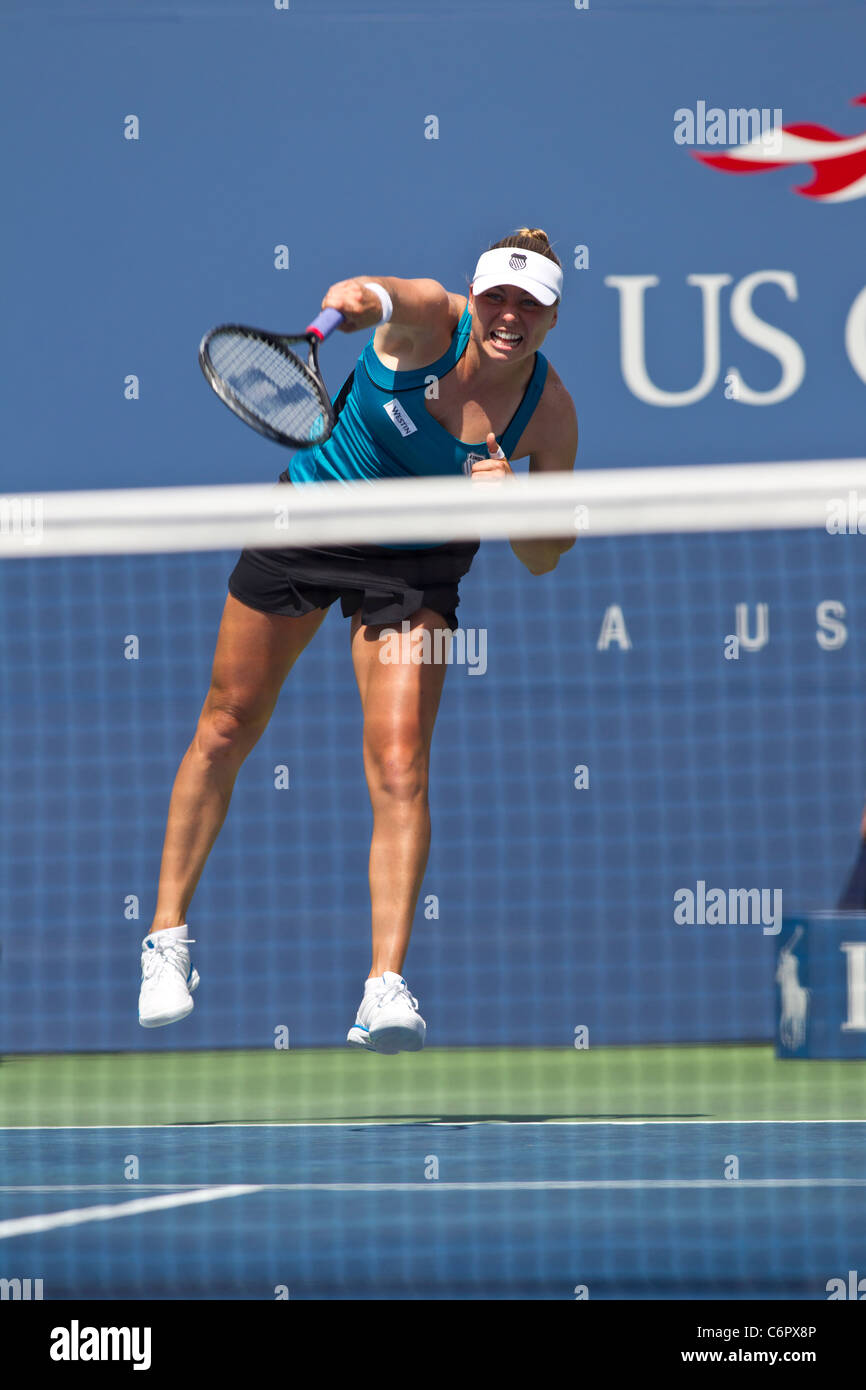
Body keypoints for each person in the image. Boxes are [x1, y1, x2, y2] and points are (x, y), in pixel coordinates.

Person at [138, 227, 579, 1053]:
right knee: (228, 722)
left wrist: (513, 503)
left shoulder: (548, 414)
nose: (510, 316)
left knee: (402, 760)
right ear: (472, 298)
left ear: (553, 320)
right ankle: (166, 940)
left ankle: (384, 986)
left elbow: (548, 556)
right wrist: (355, 299)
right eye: (498, 299)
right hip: (313, 518)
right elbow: (380, 292)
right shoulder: (424, 321)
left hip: (419, 562)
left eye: (532, 305)